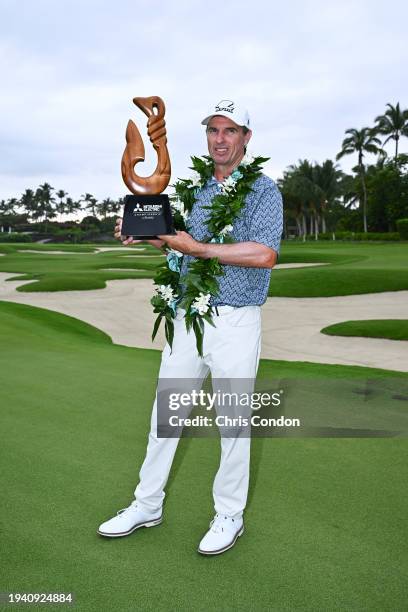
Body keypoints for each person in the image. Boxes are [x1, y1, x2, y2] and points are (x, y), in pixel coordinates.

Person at [97, 99, 283, 555]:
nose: (219, 139)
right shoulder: (193, 190)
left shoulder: (263, 190)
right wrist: (146, 234)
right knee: (167, 418)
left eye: (229, 131)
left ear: (246, 138)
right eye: (212, 131)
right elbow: (178, 249)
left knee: (233, 424)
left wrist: (198, 248)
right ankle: (147, 503)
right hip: (186, 317)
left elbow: (264, 254)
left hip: (236, 321)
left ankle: (229, 515)